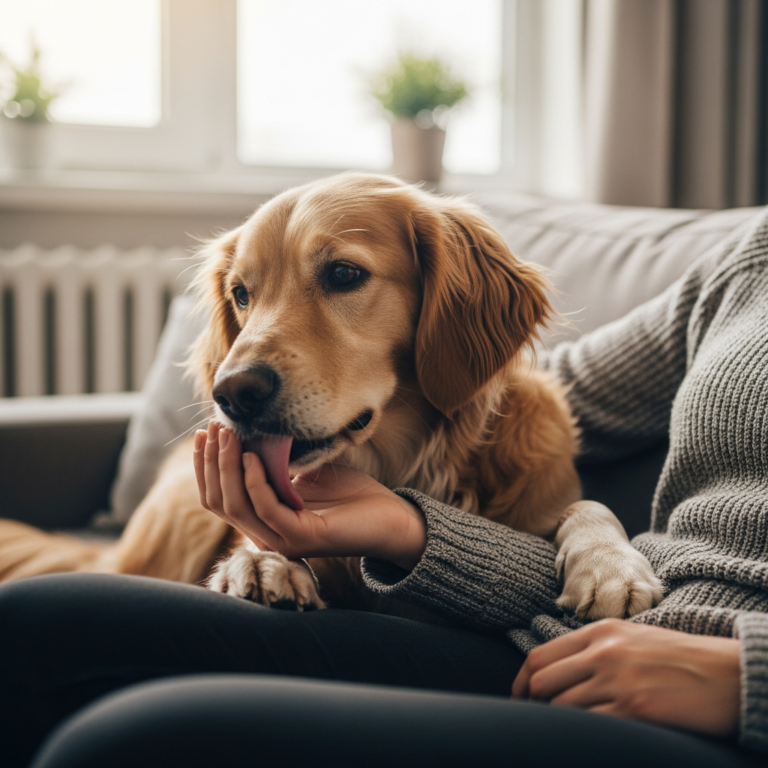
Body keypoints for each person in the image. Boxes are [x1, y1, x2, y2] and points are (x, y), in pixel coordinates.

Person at [2, 210, 768, 768]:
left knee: (127, 739)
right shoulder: (746, 266)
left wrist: (747, 680)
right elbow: (519, 387)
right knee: (29, 623)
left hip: (696, 705)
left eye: (343, 276)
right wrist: (404, 518)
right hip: (572, 640)